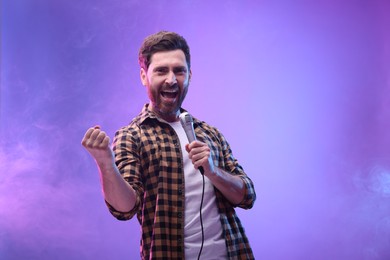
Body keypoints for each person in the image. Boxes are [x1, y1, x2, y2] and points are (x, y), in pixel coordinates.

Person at [82, 31, 256, 260]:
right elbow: (125, 209)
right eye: (161, 70)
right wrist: (106, 164)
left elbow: (247, 196)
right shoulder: (132, 136)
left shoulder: (211, 134)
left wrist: (214, 173)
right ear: (144, 76)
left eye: (179, 70)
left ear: (190, 75)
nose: (171, 79)